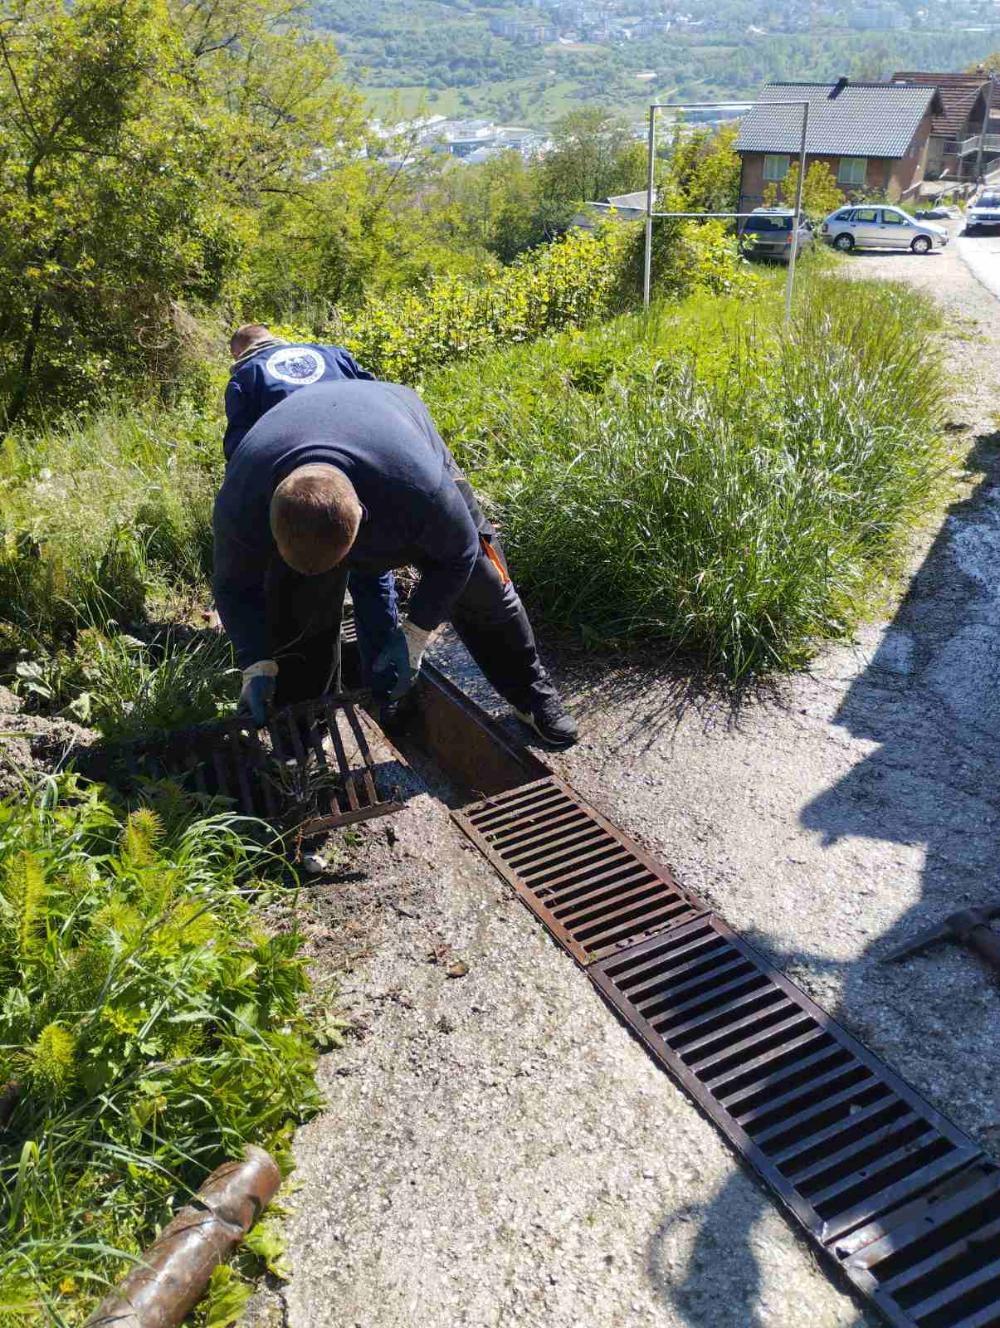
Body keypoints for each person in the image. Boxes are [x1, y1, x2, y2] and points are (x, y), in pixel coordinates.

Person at [213, 379, 578, 747]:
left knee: (484, 585)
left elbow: (459, 553)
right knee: (298, 610)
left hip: (393, 422)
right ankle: (305, 726)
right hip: (304, 427)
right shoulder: (241, 502)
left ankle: (532, 695)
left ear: (363, 517)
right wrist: (256, 661)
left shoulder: (418, 487)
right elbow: (232, 586)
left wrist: (415, 634)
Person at [222, 323, 397, 684]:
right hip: (362, 472)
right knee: (372, 571)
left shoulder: (245, 378)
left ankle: (315, 688)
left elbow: (241, 451)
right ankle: (387, 675)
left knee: (310, 586)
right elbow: (380, 399)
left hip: (306, 492)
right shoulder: (333, 353)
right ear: (274, 338)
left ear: (239, 353)